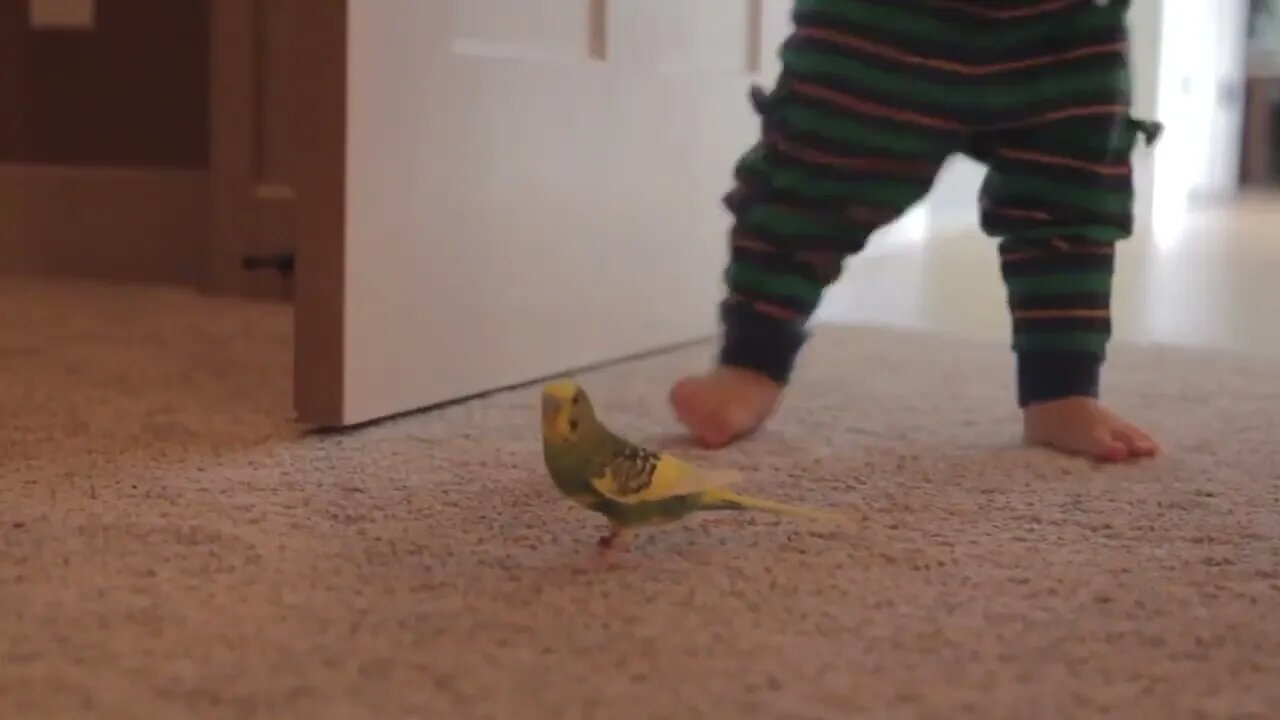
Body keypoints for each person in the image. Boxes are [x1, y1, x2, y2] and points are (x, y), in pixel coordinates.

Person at [670, 0, 1163, 462]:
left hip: (1065, 28)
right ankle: (751, 361)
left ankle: (1062, 388)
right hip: (882, 20)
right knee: (811, 180)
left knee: (1072, 198)